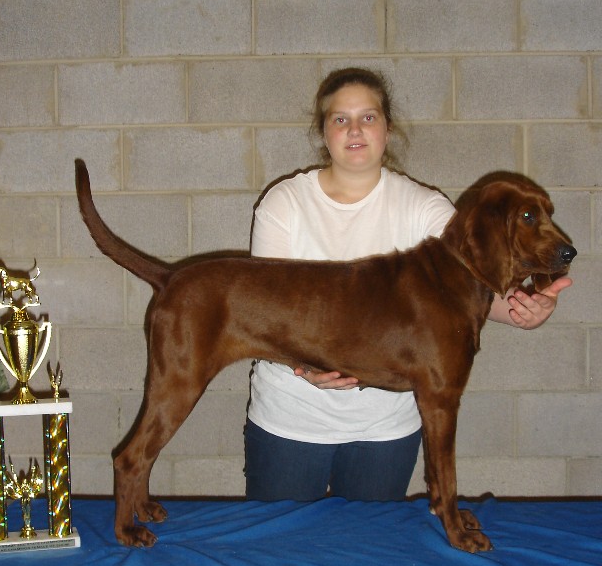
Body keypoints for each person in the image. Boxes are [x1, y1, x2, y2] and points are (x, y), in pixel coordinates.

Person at [244, 67, 572, 503]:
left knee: (372, 561)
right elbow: (267, 309)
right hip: (291, 417)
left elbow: (475, 282)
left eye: (368, 117)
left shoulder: (425, 208)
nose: (355, 129)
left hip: (385, 429)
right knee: (275, 558)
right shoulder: (284, 203)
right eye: (340, 119)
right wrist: (303, 366)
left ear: (387, 129)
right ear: (323, 132)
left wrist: (522, 308)